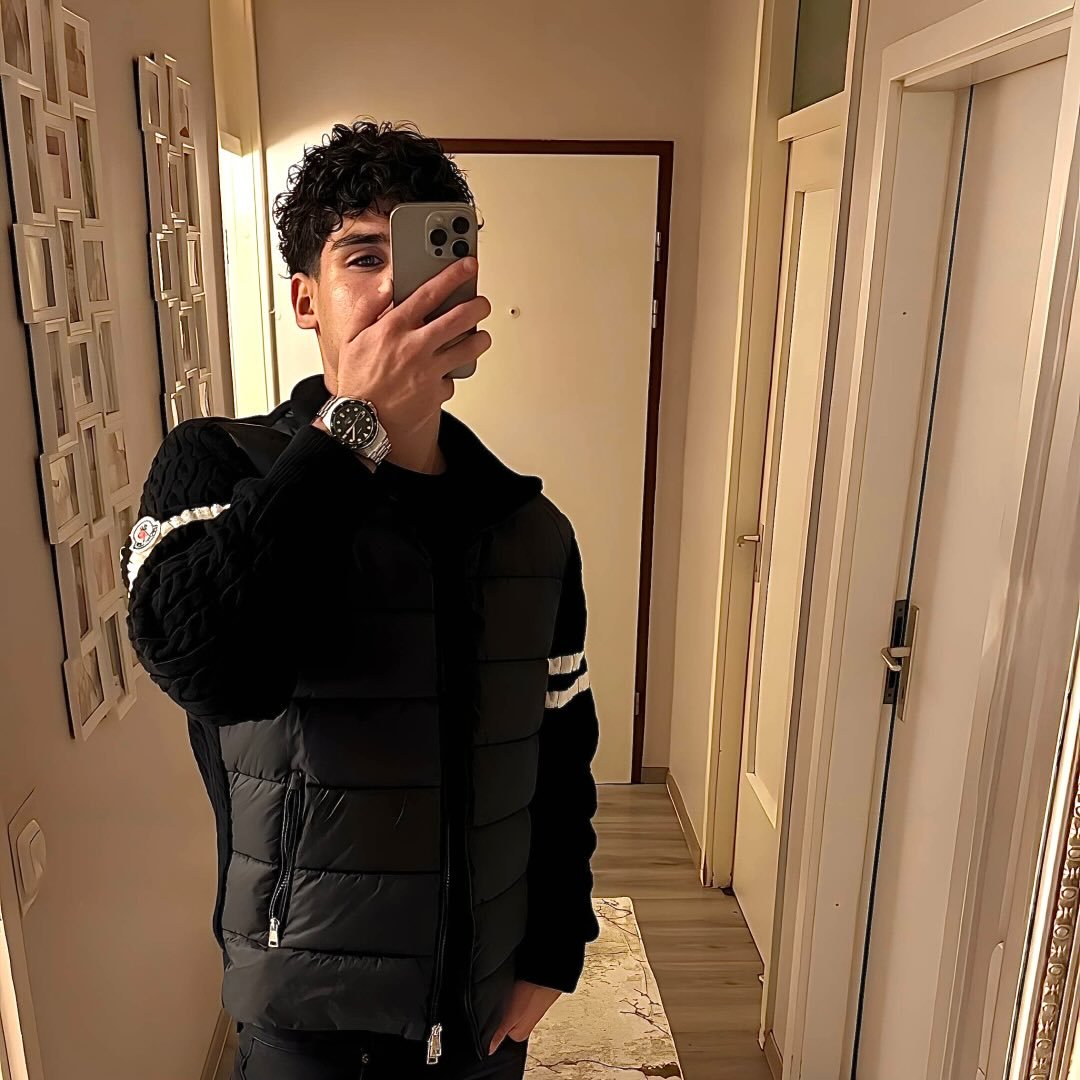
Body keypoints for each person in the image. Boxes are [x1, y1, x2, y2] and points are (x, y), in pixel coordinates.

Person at [123, 120, 600, 1080]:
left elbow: (561, 752)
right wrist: (357, 429)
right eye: (363, 257)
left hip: (480, 1021)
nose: (395, 288)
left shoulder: (530, 530)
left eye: (425, 255)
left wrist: (555, 947)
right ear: (306, 298)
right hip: (308, 1022)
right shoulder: (215, 467)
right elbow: (211, 666)